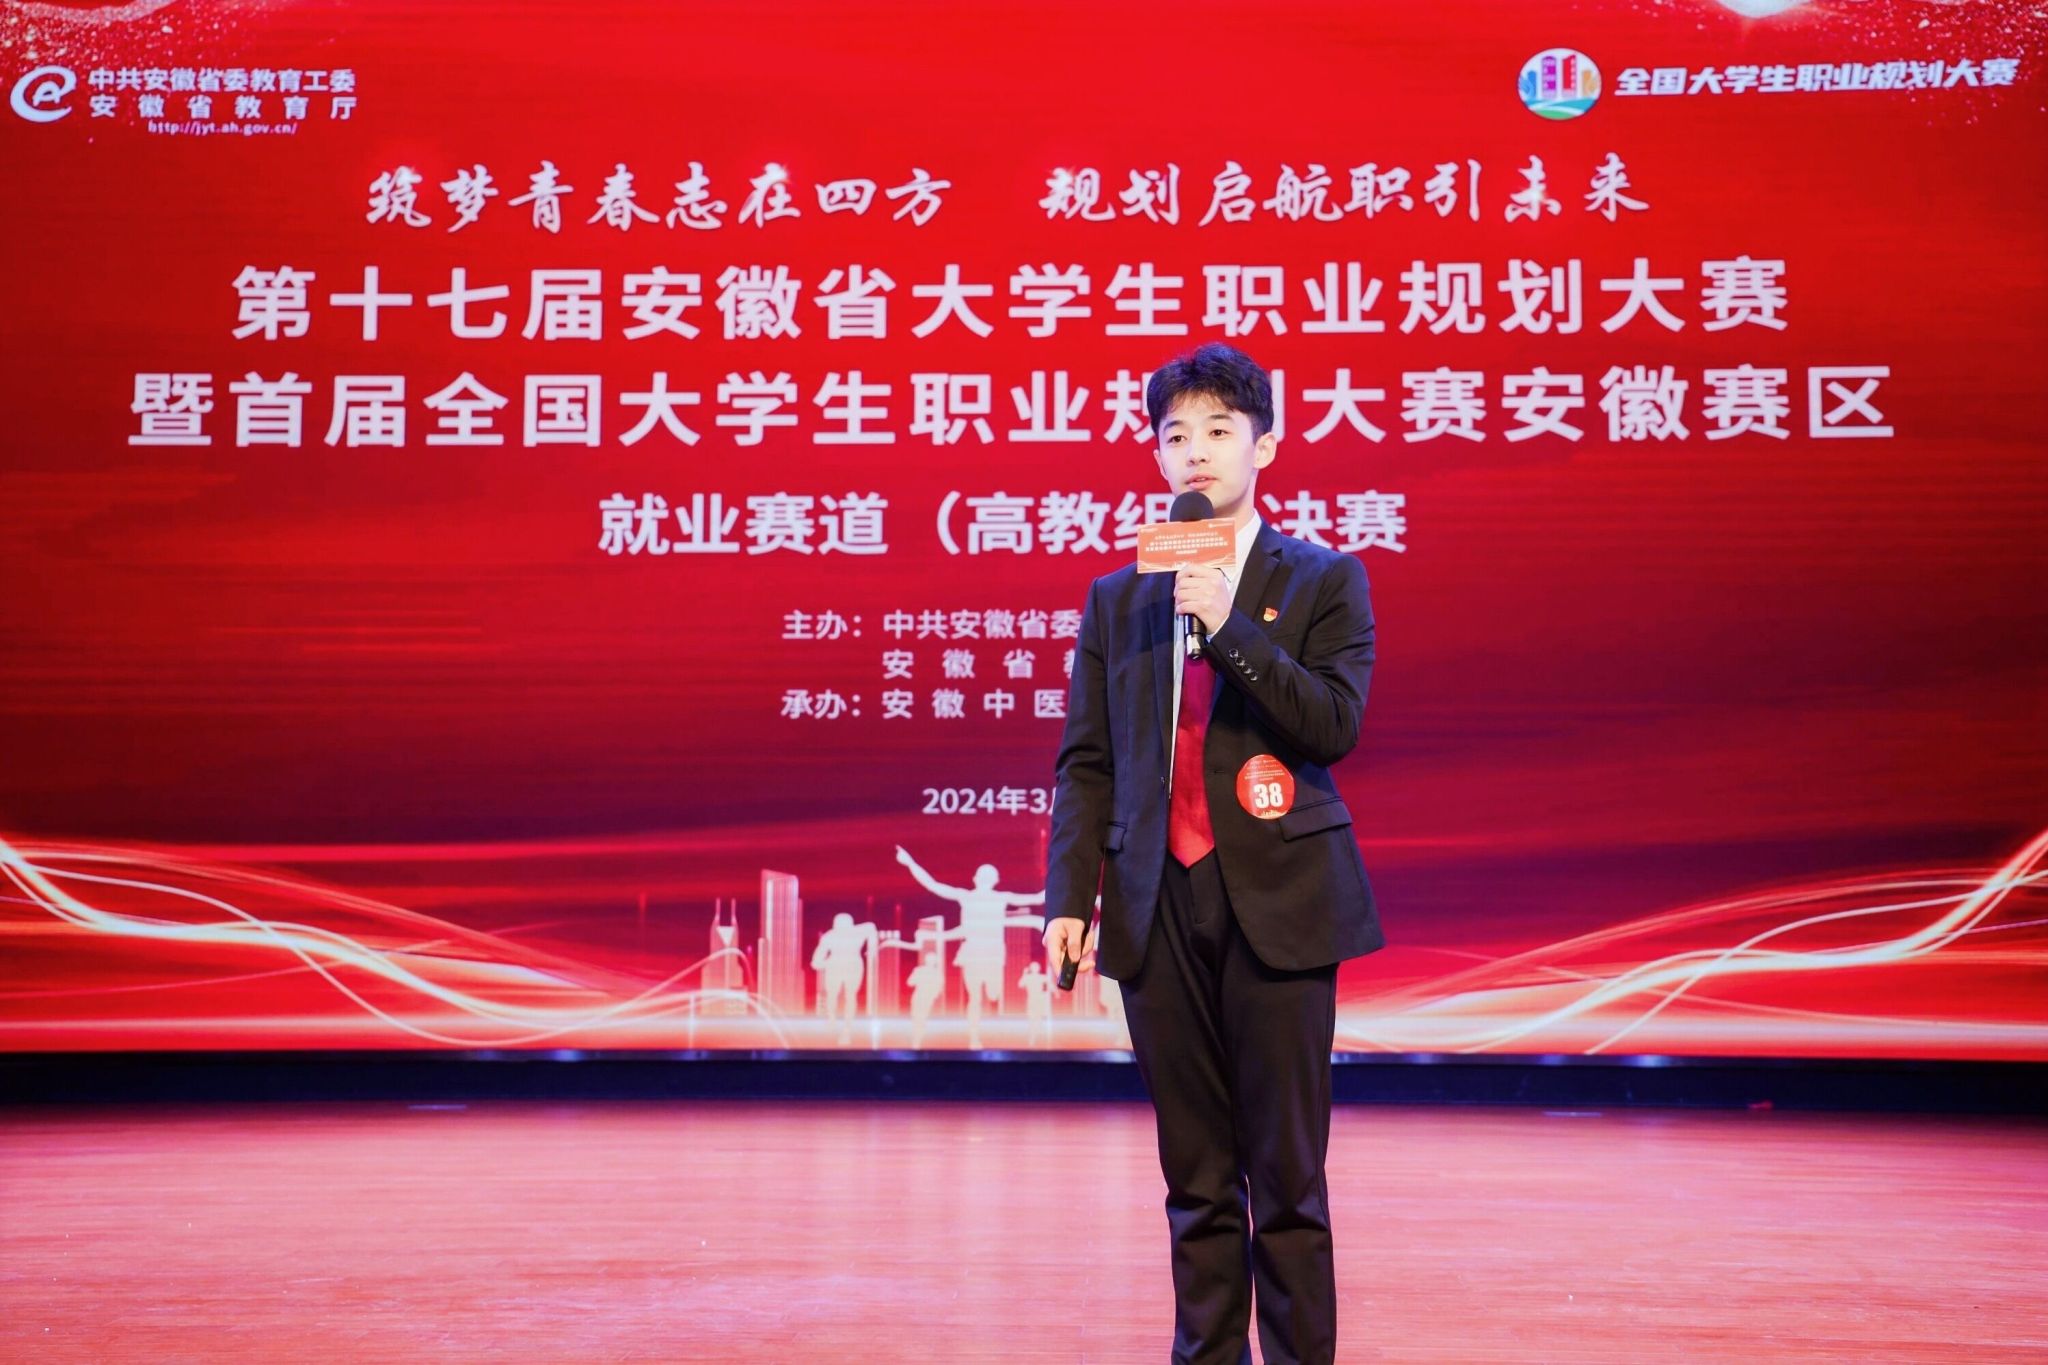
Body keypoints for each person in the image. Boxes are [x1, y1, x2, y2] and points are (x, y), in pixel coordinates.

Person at [1041, 342, 1382, 1365]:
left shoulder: (1324, 579)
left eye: (1219, 431)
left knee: (1286, 1178)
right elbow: (1087, 761)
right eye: (1175, 434)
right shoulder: (1120, 598)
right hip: (1155, 904)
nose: (1195, 451)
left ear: (1263, 446)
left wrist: (1227, 624)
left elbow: (1331, 725)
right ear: (1156, 456)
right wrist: (1069, 899)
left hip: (1279, 901)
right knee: (1194, 1179)